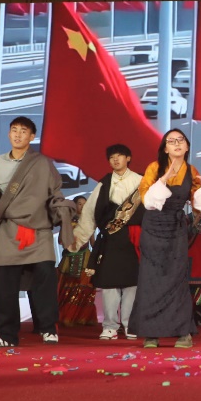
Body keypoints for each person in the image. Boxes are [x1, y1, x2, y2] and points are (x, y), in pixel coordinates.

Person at [0, 117, 77, 347]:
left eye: (23, 131)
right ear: (9, 134)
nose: (18, 134)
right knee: (4, 284)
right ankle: (5, 335)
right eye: (14, 130)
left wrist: (63, 210)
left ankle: (48, 329)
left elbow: (55, 193)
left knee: (45, 280)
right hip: (7, 230)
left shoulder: (43, 164)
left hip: (38, 230)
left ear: (32, 137)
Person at [133, 129, 201, 349]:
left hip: (176, 228)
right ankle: (151, 334)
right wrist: (163, 180)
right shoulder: (154, 167)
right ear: (165, 148)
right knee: (151, 279)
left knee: (178, 279)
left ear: (187, 146)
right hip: (153, 227)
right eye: (171, 141)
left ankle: (183, 333)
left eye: (180, 140)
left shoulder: (191, 170)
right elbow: (147, 201)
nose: (177, 144)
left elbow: (199, 205)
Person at [76, 144, 143, 339]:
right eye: (112, 157)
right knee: (109, 284)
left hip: (134, 239)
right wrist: (78, 238)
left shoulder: (141, 181)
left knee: (133, 283)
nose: (116, 159)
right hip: (111, 239)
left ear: (128, 158)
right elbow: (89, 211)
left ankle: (130, 325)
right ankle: (110, 325)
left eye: (120, 156)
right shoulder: (104, 184)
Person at [56, 196, 96, 328]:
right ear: (74, 205)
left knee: (84, 287)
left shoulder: (89, 221)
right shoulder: (67, 221)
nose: (82, 206)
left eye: (85, 204)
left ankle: (82, 317)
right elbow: (60, 241)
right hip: (69, 258)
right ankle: (67, 316)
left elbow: (92, 241)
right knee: (68, 287)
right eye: (79, 204)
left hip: (85, 258)